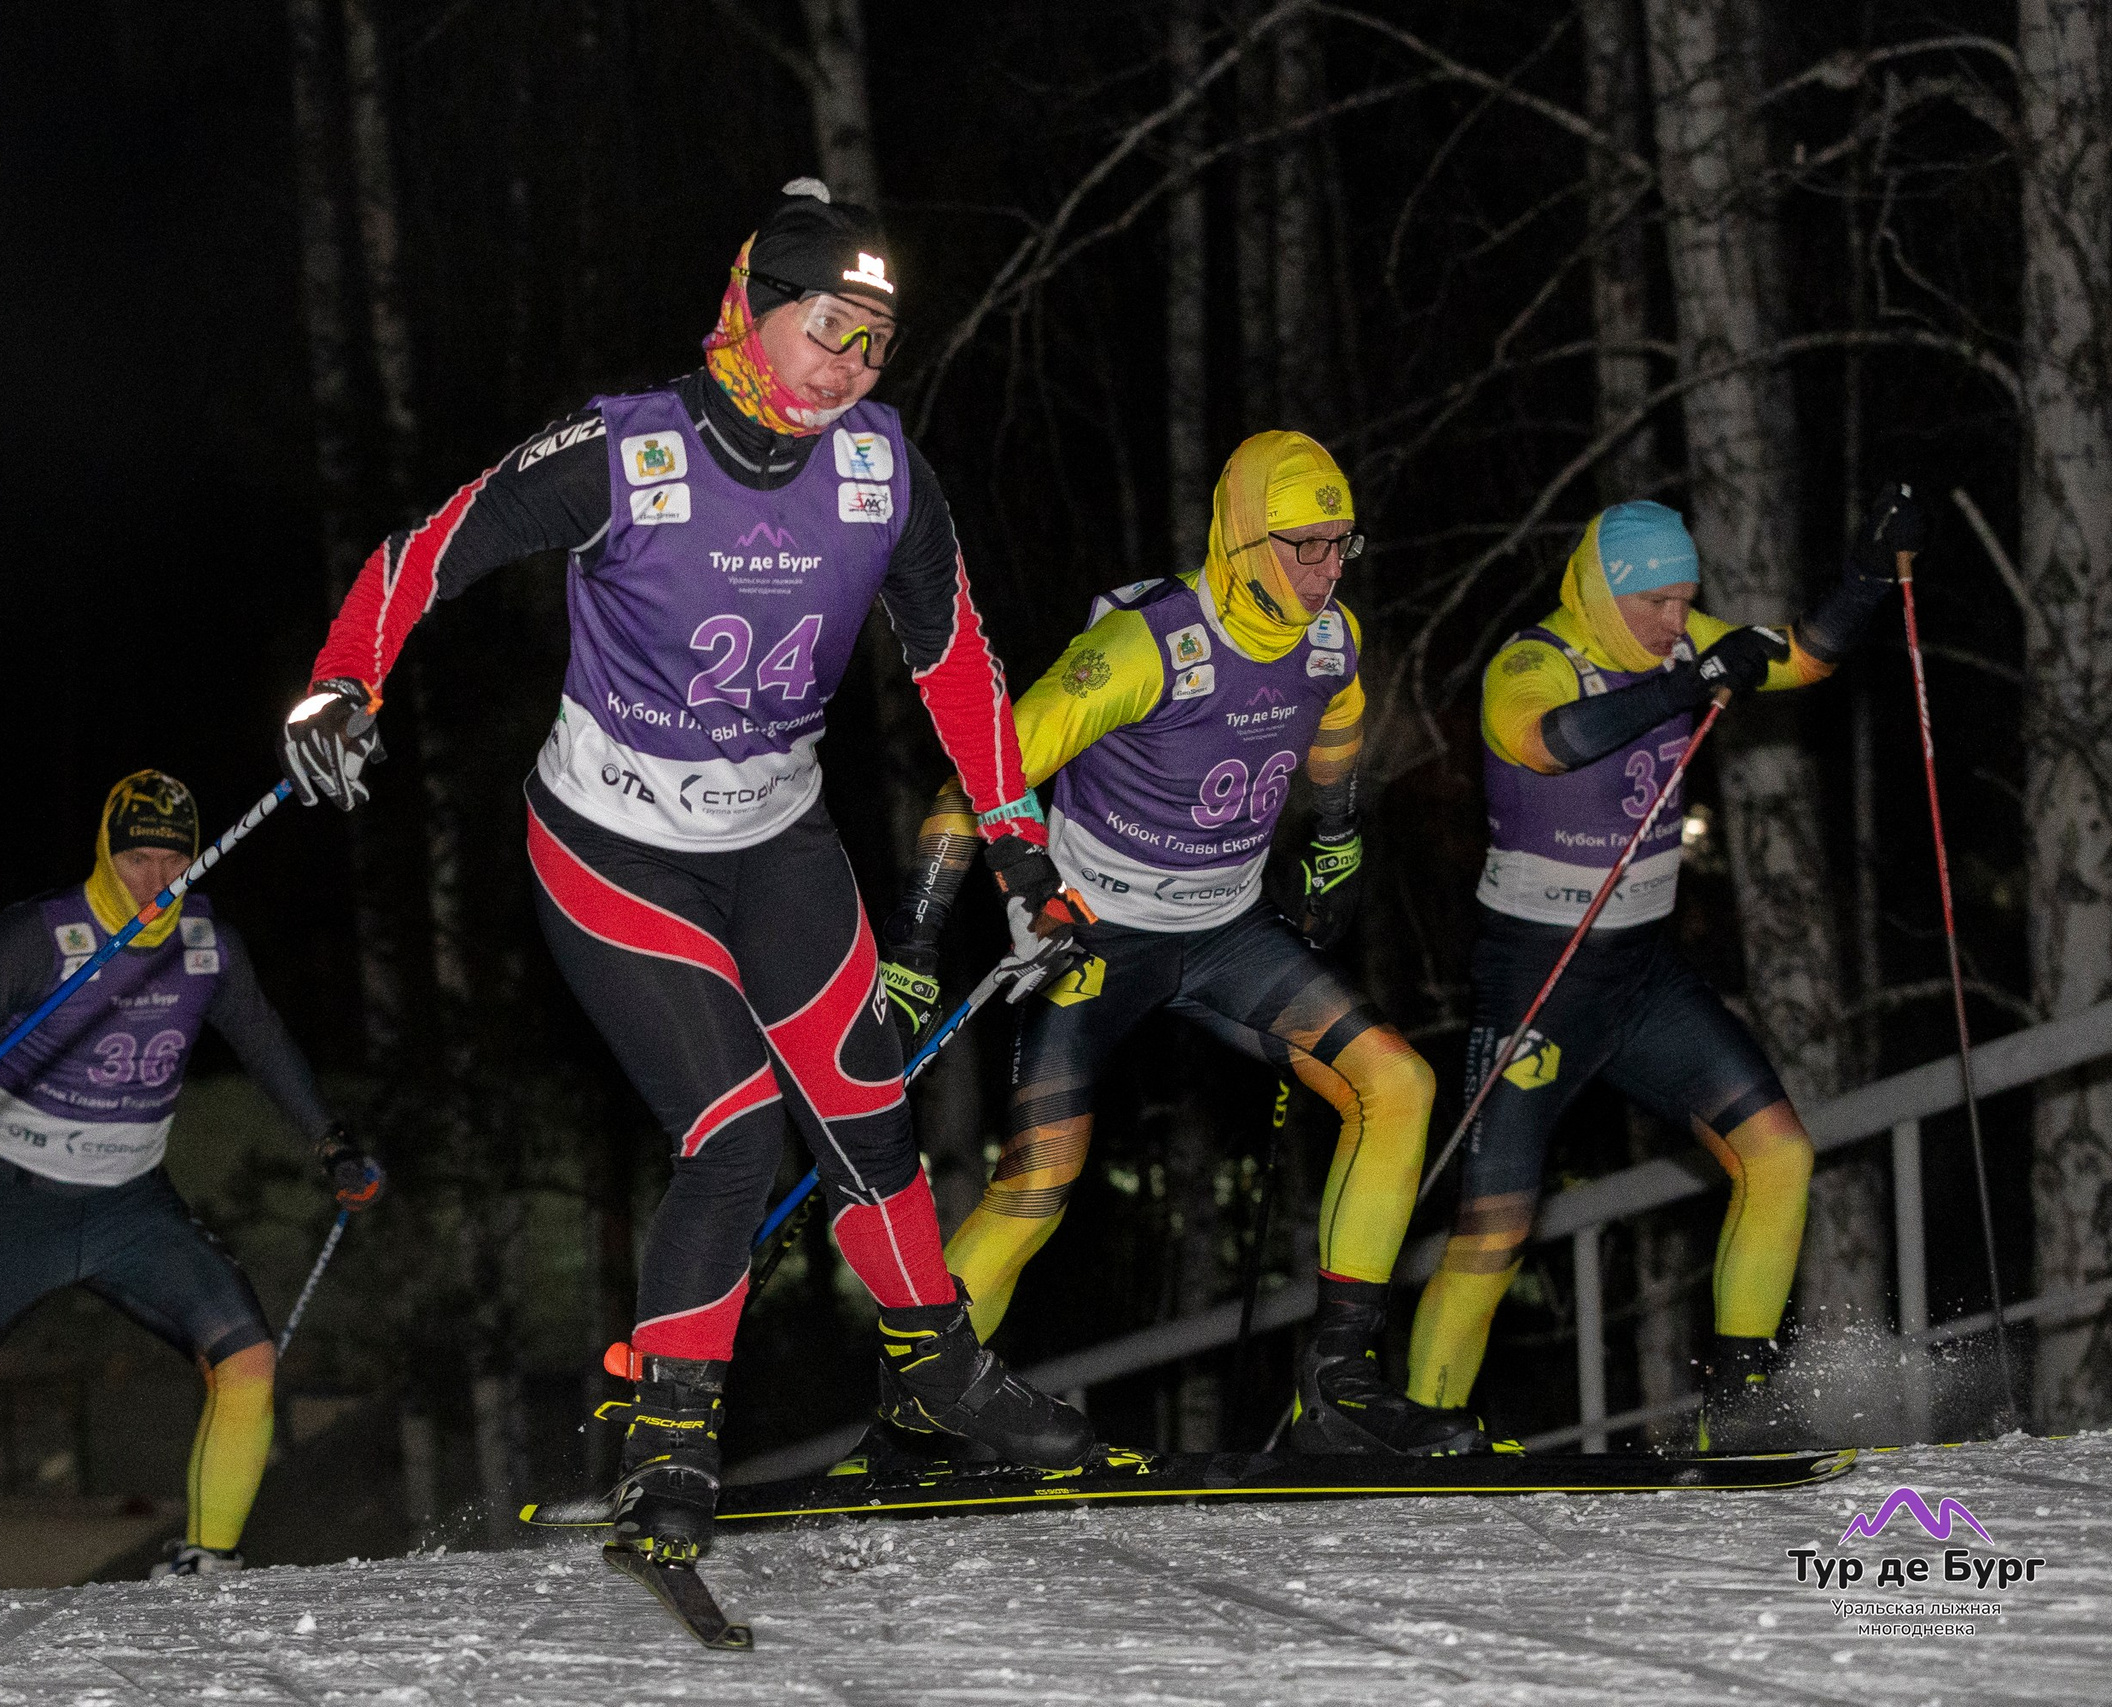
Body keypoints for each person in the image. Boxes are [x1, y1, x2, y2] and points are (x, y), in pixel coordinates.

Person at [278, 179, 1091, 1565]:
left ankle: (939, 1372)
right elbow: (430, 552)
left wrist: (1019, 838)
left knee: (869, 1114)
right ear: (753, 311)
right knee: (733, 1138)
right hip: (616, 853)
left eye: (874, 344)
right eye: (829, 327)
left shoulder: (882, 468)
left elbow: (954, 654)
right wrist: (339, 683)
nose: (851, 364)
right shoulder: (626, 450)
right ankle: (668, 1444)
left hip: (776, 840)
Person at [890, 430, 1481, 1455]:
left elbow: (1335, 722)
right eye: (1305, 547)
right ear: (1247, 540)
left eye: (1342, 546)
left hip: (1224, 929)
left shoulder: (1329, 635)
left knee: (1399, 1086)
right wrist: (917, 943)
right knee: (1038, 1182)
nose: (1327, 570)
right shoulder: (1147, 645)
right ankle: (915, 1419)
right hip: (1093, 935)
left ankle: (1339, 1389)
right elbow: (975, 780)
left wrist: (1336, 841)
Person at [0, 771, 379, 1605]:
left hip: (132, 1206)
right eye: (137, 860)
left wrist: (331, 1142)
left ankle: (207, 1560)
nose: (157, 880)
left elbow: (266, 1044)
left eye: (174, 859)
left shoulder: (206, 942)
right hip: (16, 1208)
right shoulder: (37, 937)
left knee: (249, 1360)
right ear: (104, 853)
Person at [1404, 490, 1919, 1447]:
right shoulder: (1533, 659)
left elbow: (1800, 655)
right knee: (1495, 1230)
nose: (1674, 623)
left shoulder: (1681, 645)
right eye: (1655, 604)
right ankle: (1424, 1428)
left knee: (1780, 1156)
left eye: (1687, 603)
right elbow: (1550, 739)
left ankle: (1739, 1409)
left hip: (1641, 976)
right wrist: (1690, 680)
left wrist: (1864, 579)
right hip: (1538, 979)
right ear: (1604, 590)